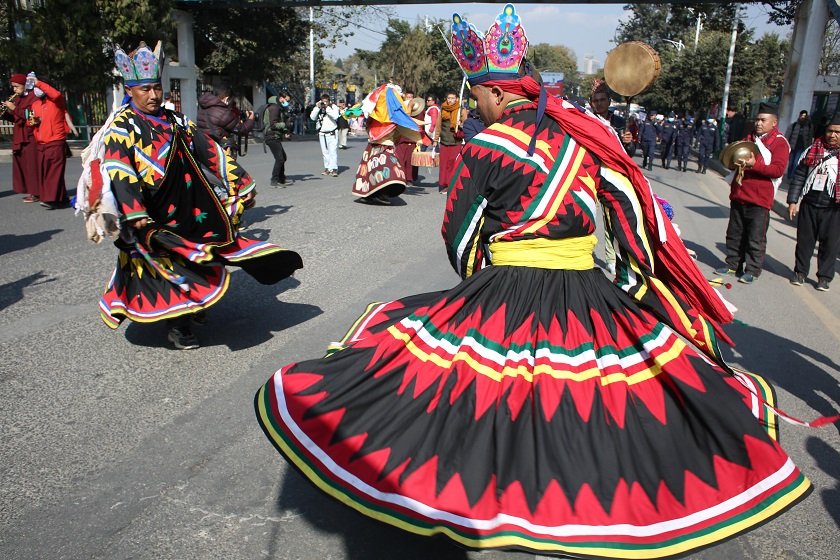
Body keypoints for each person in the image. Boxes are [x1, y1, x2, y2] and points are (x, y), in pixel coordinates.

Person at [255, 6, 833, 558]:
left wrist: (479, 285)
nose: (474, 105)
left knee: (477, 388)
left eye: (477, 94)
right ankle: (584, 508)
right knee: (594, 398)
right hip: (587, 288)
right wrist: (637, 293)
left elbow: (459, 235)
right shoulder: (588, 140)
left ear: (500, 92)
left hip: (506, 288)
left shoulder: (486, 146)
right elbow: (634, 224)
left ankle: (493, 499)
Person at [98, 42, 302, 349]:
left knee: (203, 255)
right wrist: (135, 211)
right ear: (130, 90)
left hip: (190, 207)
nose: (154, 96)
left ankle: (194, 306)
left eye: (157, 88)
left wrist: (241, 182)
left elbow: (210, 152)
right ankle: (178, 325)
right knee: (167, 268)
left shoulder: (175, 120)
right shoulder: (121, 128)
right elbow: (119, 170)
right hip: (151, 214)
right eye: (145, 90)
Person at [715, 102, 789, 284]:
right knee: (734, 233)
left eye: (763, 120)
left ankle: (752, 270)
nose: (758, 123)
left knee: (755, 237)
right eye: (757, 119)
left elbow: (777, 170)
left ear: (774, 123)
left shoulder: (779, 143)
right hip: (740, 194)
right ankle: (733, 264)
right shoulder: (749, 138)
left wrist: (754, 165)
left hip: (760, 199)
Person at [786, 115, 840, 292]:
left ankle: (824, 278)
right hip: (809, 204)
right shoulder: (812, 150)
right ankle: (800, 272)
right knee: (804, 242)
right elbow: (799, 176)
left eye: (837, 132)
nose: (832, 135)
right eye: (830, 131)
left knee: (830, 245)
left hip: (834, 209)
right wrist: (793, 201)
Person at [350, 83, 420, 204]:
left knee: (376, 170)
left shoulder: (381, 113)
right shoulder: (383, 113)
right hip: (381, 145)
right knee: (386, 170)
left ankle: (375, 194)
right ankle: (377, 194)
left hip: (378, 144)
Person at [28, 73, 70, 210]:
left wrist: (39, 83)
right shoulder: (35, 104)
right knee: (47, 171)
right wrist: (33, 122)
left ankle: (50, 199)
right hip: (41, 143)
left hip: (55, 141)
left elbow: (56, 94)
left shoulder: (56, 101)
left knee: (53, 171)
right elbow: (31, 120)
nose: (36, 89)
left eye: (37, 86)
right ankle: (61, 198)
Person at [2, 73, 39, 203]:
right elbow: (16, 119)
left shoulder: (33, 97)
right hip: (19, 135)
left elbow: (30, 116)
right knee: (23, 166)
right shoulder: (18, 99)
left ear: (25, 85)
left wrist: (14, 108)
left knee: (32, 166)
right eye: (13, 87)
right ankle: (30, 190)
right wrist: (5, 114)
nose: (14, 90)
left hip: (30, 137)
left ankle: (36, 192)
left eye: (17, 87)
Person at [196, 84, 255, 159]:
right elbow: (242, 129)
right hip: (220, 151)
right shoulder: (223, 112)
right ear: (226, 99)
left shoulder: (203, 109)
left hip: (205, 147)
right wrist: (251, 119)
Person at [435, 91, 467, 192]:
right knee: (444, 164)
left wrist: (460, 124)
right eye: (449, 98)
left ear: (457, 99)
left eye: (452, 98)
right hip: (444, 140)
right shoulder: (443, 109)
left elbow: (466, 125)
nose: (450, 100)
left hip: (455, 141)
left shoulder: (461, 110)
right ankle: (443, 184)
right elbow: (438, 125)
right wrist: (435, 139)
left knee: (453, 164)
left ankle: (451, 184)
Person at [264, 95, 293, 186]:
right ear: (281, 98)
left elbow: (278, 123)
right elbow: (273, 124)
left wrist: (285, 132)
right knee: (280, 159)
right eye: (286, 100)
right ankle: (274, 180)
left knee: (283, 157)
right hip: (271, 136)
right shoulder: (274, 108)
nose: (287, 102)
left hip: (274, 136)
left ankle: (281, 178)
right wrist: (285, 125)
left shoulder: (277, 107)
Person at [310, 93, 340, 176]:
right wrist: (317, 108)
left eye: (326, 102)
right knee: (325, 152)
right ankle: (327, 168)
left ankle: (334, 169)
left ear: (329, 101)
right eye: (323, 102)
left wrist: (327, 108)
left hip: (332, 132)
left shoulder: (333, 107)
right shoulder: (319, 108)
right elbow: (312, 117)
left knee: (332, 151)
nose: (324, 103)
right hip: (322, 133)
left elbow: (335, 116)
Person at [785, 110, 814, 180]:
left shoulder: (809, 126)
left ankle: (792, 177)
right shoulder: (794, 125)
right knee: (791, 163)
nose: (803, 117)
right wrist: (786, 145)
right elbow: (787, 136)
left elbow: (810, 138)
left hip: (802, 148)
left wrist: (808, 148)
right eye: (802, 115)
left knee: (796, 162)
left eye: (804, 116)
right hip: (793, 146)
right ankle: (789, 176)